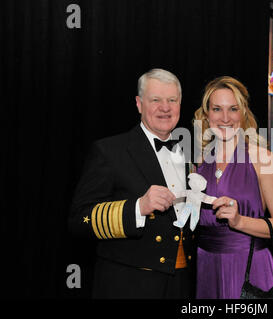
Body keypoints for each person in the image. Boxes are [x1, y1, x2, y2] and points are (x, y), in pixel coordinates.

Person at [69, 69, 194, 298]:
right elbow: (79, 220)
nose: (165, 108)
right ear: (139, 104)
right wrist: (138, 207)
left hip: (182, 283)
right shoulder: (109, 151)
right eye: (155, 100)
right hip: (129, 284)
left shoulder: (187, 154)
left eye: (172, 100)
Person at [192, 76, 273, 299]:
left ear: (243, 113)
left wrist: (239, 221)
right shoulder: (199, 162)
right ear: (207, 115)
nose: (225, 118)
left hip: (250, 267)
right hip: (206, 265)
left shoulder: (262, 158)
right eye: (217, 109)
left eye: (233, 109)